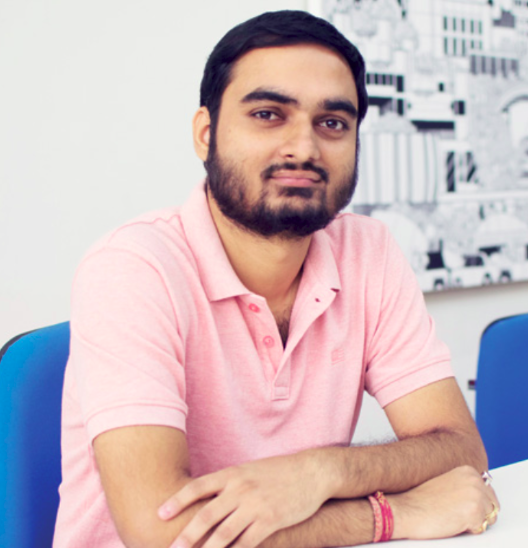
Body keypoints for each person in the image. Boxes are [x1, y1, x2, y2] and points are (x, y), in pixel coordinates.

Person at [53, 10, 499, 548]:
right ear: (206, 134)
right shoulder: (132, 268)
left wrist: (318, 472)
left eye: (332, 123)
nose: (304, 148)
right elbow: (161, 533)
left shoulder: (368, 251)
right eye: (268, 114)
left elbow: (460, 449)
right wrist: (393, 515)